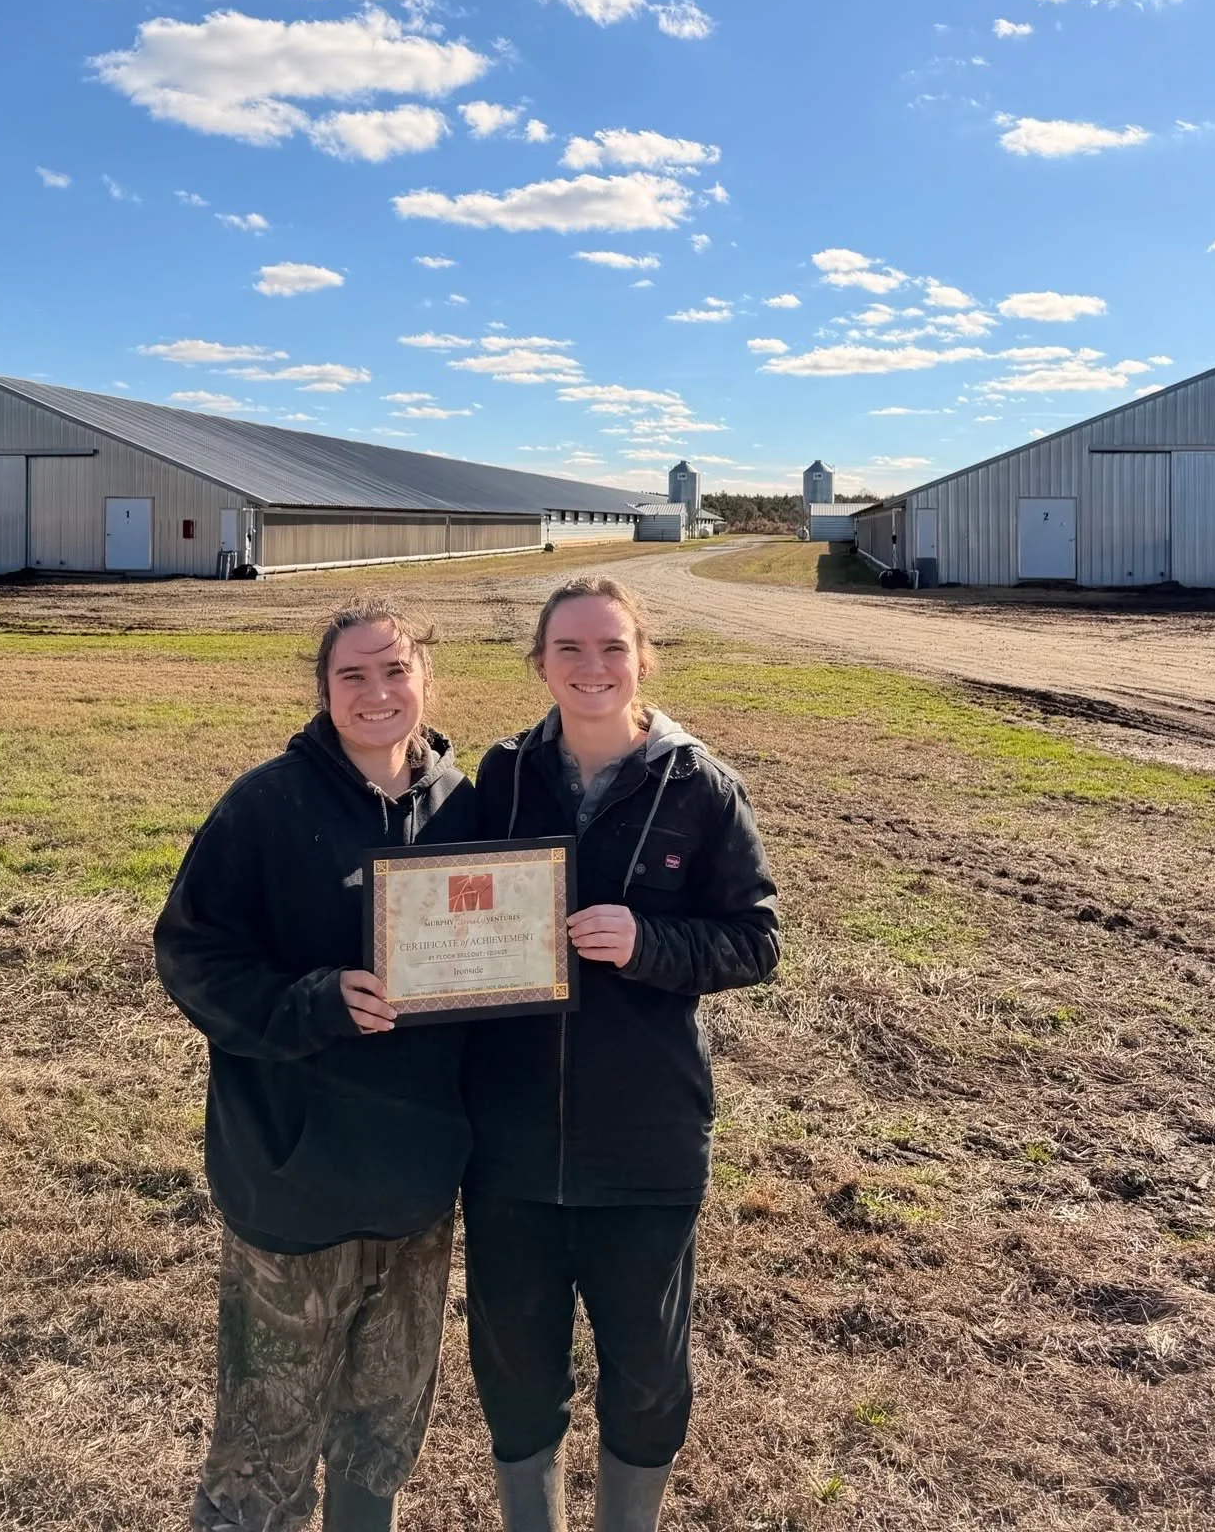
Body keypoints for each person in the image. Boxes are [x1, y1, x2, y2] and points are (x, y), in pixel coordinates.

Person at [463, 576, 780, 1532]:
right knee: (515, 1366)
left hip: (644, 1138)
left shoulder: (699, 788)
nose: (591, 668)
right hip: (509, 1138)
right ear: (540, 663)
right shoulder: (504, 775)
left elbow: (756, 940)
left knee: (646, 1374)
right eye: (569, 650)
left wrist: (649, 943)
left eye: (611, 648)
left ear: (643, 658)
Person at [155, 599, 474, 1532]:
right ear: (325, 691)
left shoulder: (470, 810)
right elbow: (193, 958)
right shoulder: (266, 806)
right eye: (353, 675)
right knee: (265, 1445)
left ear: (424, 677)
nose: (378, 691)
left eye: (396, 669)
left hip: (418, 1183)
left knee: (381, 1431)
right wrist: (313, 1005)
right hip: (294, 1176)